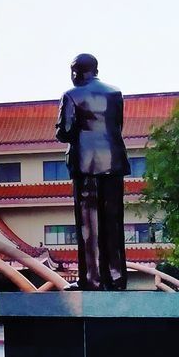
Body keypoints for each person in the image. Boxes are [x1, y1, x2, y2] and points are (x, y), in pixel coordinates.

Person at [55, 52, 129, 291]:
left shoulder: (72, 95)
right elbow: (117, 126)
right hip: (113, 163)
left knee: (90, 226)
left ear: (76, 71)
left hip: (86, 165)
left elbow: (65, 131)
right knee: (114, 223)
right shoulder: (115, 94)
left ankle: (93, 280)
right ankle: (116, 278)